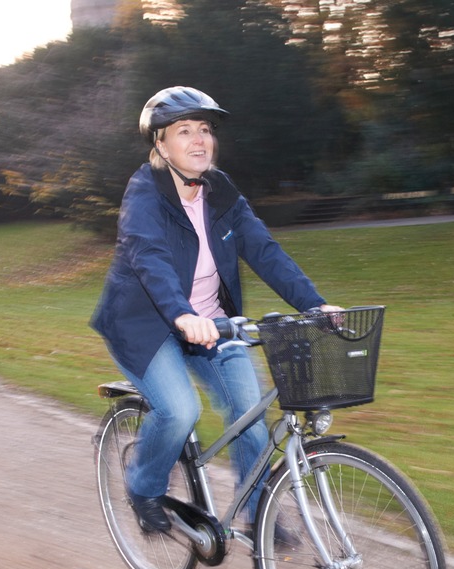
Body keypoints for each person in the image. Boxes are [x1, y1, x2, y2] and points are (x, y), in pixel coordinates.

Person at [89, 86, 341, 535]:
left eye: (204, 129)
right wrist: (182, 314)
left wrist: (314, 303)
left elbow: (265, 251)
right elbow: (149, 257)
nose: (199, 140)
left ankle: (255, 514)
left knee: (249, 413)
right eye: (184, 131)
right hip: (147, 327)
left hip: (213, 325)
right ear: (160, 145)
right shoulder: (145, 192)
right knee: (179, 410)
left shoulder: (221, 192)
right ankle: (143, 487)